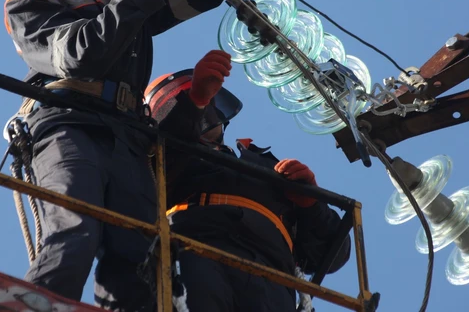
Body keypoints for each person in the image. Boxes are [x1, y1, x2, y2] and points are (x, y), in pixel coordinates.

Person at [0, 0, 235, 311]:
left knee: (140, 259)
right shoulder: (28, 0)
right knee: (75, 228)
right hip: (67, 125)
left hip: (128, 135)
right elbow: (81, 54)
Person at [144, 50, 352, 312]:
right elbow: (156, 170)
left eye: (209, 103)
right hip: (195, 245)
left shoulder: (264, 165)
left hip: (273, 270)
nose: (206, 110)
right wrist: (193, 102)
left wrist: (312, 203)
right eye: (179, 103)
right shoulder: (159, 158)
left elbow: (333, 256)